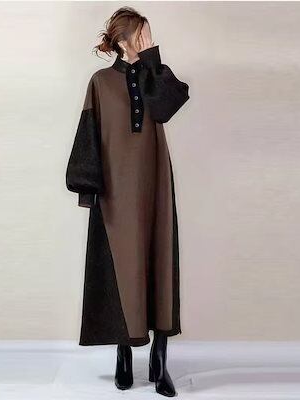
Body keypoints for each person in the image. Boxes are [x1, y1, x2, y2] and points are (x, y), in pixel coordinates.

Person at [66, 6, 189, 397]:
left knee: (160, 262)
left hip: (155, 186)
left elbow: (167, 107)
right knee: (125, 268)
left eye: (149, 35)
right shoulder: (100, 82)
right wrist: (89, 186)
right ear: (123, 40)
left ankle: (159, 359)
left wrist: (152, 60)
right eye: (141, 36)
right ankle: (123, 355)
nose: (148, 41)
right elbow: (89, 133)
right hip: (117, 191)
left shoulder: (156, 77)